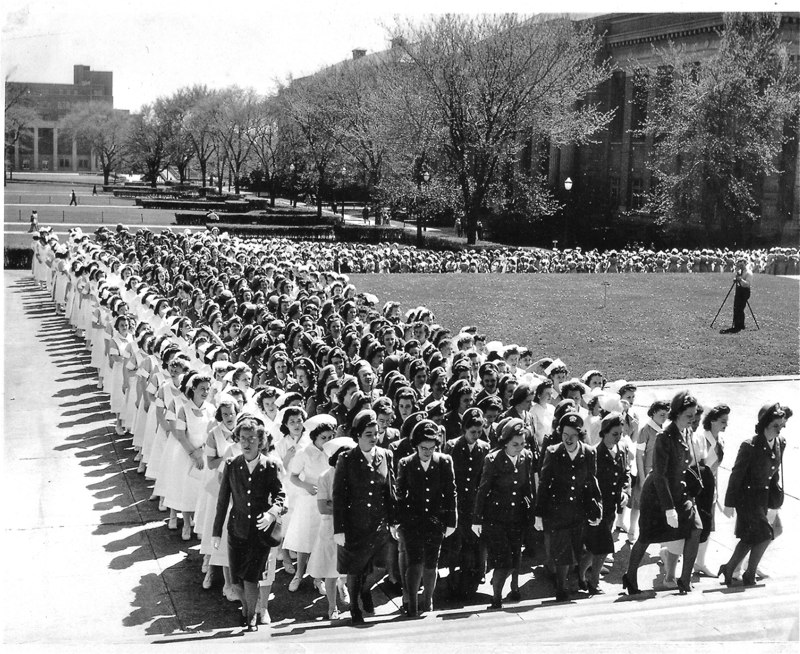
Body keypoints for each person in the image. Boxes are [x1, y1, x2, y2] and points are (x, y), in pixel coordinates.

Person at [623, 391, 703, 595]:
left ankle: (684, 579)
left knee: (695, 528)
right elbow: (660, 475)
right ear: (677, 414)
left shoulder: (686, 432)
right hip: (658, 495)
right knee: (647, 537)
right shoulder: (664, 437)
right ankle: (630, 575)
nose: (692, 419)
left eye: (694, 415)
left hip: (679, 491)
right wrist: (669, 509)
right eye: (688, 415)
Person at [213, 414, 285, 632]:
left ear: (260, 441)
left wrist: (272, 513)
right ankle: (246, 608)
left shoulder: (271, 466)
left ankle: (252, 617)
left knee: (251, 578)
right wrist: (216, 532)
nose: (246, 443)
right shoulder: (232, 465)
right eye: (243, 438)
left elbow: (282, 496)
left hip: (260, 532)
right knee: (236, 581)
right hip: (236, 530)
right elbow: (223, 500)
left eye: (252, 438)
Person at [333, 409, 396, 625]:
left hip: (380, 524)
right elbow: (338, 496)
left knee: (383, 565)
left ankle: (365, 589)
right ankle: (354, 608)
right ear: (358, 435)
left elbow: (390, 490)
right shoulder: (347, 459)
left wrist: (394, 521)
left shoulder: (386, 455)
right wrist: (339, 529)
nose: (373, 438)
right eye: (368, 434)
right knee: (355, 568)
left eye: (376, 433)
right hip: (355, 525)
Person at [718, 403, 790, 587]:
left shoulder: (780, 443)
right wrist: (729, 503)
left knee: (751, 537)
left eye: (781, 426)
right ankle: (749, 574)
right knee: (765, 534)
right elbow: (736, 475)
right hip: (747, 498)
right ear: (765, 424)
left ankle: (729, 568)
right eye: (775, 426)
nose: (779, 430)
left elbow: (774, 475)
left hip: (764, 498)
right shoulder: (750, 445)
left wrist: (776, 502)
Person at [535, 413, 602, 601]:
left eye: (573, 435)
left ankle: (577, 581)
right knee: (562, 552)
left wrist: (597, 506)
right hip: (558, 512)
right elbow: (544, 483)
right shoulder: (553, 452)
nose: (568, 439)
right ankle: (561, 588)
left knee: (578, 549)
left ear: (580, 435)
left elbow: (591, 481)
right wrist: (539, 514)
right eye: (565, 434)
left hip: (579, 511)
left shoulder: (589, 452)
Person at [395, 419, 457, 617]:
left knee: (431, 563)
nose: (427, 452)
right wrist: (398, 521)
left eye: (431, 448)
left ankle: (428, 601)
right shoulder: (405, 463)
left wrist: (451, 521)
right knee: (415, 563)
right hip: (412, 523)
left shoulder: (445, 461)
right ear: (415, 446)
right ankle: (412, 603)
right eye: (423, 448)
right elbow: (399, 494)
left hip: (435, 522)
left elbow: (451, 492)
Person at [472, 418, 535, 609]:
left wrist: (531, 511)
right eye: (515, 444)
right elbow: (482, 491)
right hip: (496, 519)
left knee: (516, 556)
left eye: (523, 444)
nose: (519, 448)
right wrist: (477, 518)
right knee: (503, 560)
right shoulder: (493, 460)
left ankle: (514, 589)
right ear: (505, 442)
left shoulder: (526, 457)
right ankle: (496, 597)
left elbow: (527, 486)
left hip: (518, 516)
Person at [283, 415, 335, 593]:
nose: (327, 441)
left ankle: (318, 578)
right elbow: (293, 476)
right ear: (315, 438)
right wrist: (306, 485)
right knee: (305, 539)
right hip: (308, 500)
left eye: (330, 437)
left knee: (321, 540)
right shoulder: (304, 453)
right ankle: (299, 574)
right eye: (323, 438)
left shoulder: (333, 453)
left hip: (326, 501)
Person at [442, 408, 490, 599]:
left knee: (475, 541)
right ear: (464, 430)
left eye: (479, 432)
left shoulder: (485, 447)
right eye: (472, 432)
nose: (476, 436)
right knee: (456, 542)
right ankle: (454, 575)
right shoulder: (452, 446)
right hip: (458, 502)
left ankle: (474, 575)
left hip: (476, 503)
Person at [580, 412, 629, 594]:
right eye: (614, 434)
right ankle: (593, 581)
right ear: (604, 433)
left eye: (620, 434)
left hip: (612, 507)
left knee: (597, 547)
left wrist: (624, 491)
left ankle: (581, 574)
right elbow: (589, 481)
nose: (618, 438)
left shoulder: (621, 449)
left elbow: (625, 474)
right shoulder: (595, 453)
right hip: (597, 508)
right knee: (601, 547)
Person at [307, 436, 354, 620]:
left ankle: (345, 589)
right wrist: (344, 507)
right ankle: (332, 607)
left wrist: (336, 505)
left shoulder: (356, 475)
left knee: (350, 567)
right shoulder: (325, 477)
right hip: (330, 528)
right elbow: (322, 507)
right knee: (330, 569)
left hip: (352, 527)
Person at [692, 404, 730, 576]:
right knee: (695, 528)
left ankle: (700, 562)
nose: (726, 425)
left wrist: (717, 493)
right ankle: (669, 553)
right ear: (712, 421)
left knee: (708, 528)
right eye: (723, 421)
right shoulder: (700, 438)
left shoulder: (720, 440)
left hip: (710, 491)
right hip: (697, 490)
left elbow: (716, 470)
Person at [721, 256, 753, 333]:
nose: (740, 267)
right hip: (739, 290)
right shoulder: (739, 272)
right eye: (739, 265)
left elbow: (747, 284)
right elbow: (737, 278)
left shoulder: (748, 273)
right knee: (736, 307)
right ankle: (736, 323)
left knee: (740, 308)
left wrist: (740, 279)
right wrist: (736, 279)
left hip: (745, 291)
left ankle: (740, 325)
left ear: (745, 264)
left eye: (742, 265)